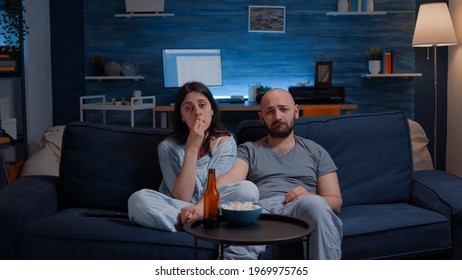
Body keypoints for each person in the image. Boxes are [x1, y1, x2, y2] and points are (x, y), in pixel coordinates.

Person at [181, 88, 343, 260]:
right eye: (270, 111)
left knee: (316, 205)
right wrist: (200, 207)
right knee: (238, 238)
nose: (277, 116)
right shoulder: (248, 150)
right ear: (261, 117)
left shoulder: (316, 152)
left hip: (303, 206)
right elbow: (227, 181)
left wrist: (310, 195)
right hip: (261, 210)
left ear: (296, 112)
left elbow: (336, 201)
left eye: (284, 109)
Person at [128, 81, 259, 232]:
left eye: (202, 105)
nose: (197, 112)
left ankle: (189, 222)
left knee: (248, 190)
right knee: (138, 200)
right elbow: (182, 196)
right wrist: (192, 148)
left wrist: (198, 209)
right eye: (189, 108)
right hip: (178, 207)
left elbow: (216, 189)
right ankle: (197, 224)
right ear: (182, 116)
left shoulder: (226, 143)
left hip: (210, 205)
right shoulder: (167, 148)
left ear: (212, 110)